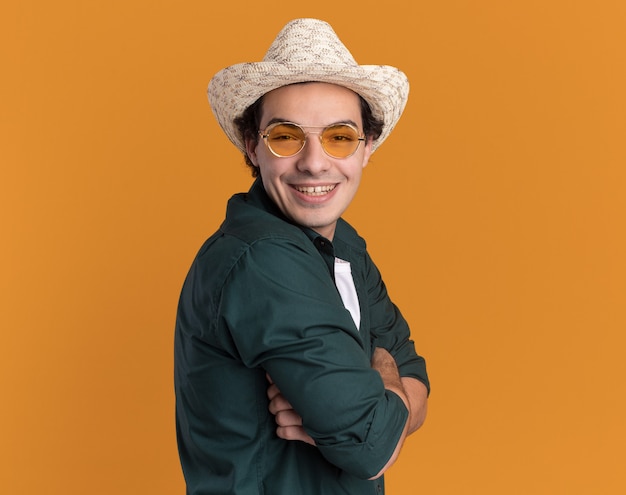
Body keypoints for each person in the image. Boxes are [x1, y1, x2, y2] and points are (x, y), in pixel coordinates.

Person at [174, 18, 430, 495]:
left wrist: (387, 388)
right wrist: (387, 394)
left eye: (339, 137)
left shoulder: (347, 247)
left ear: (366, 147)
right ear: (253, 147)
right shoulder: (263, 260)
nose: (314, 162)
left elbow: (413, 374)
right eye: (287, 137)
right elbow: (370, 447)